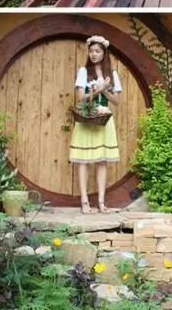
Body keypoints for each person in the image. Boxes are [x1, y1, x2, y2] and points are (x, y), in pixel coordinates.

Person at [69, 35, 122, 214]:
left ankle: (101, 202)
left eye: (97, 51)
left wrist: (104, 89)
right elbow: (80, 98)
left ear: (104, 53)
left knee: (102, 161)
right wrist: (96, 90)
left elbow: (116, 101)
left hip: (104, 118)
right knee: (83, 160)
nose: (93, 54)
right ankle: (85, 201)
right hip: (86, 116)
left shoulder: (112, 74)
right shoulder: (84, 71)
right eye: (91, 51)